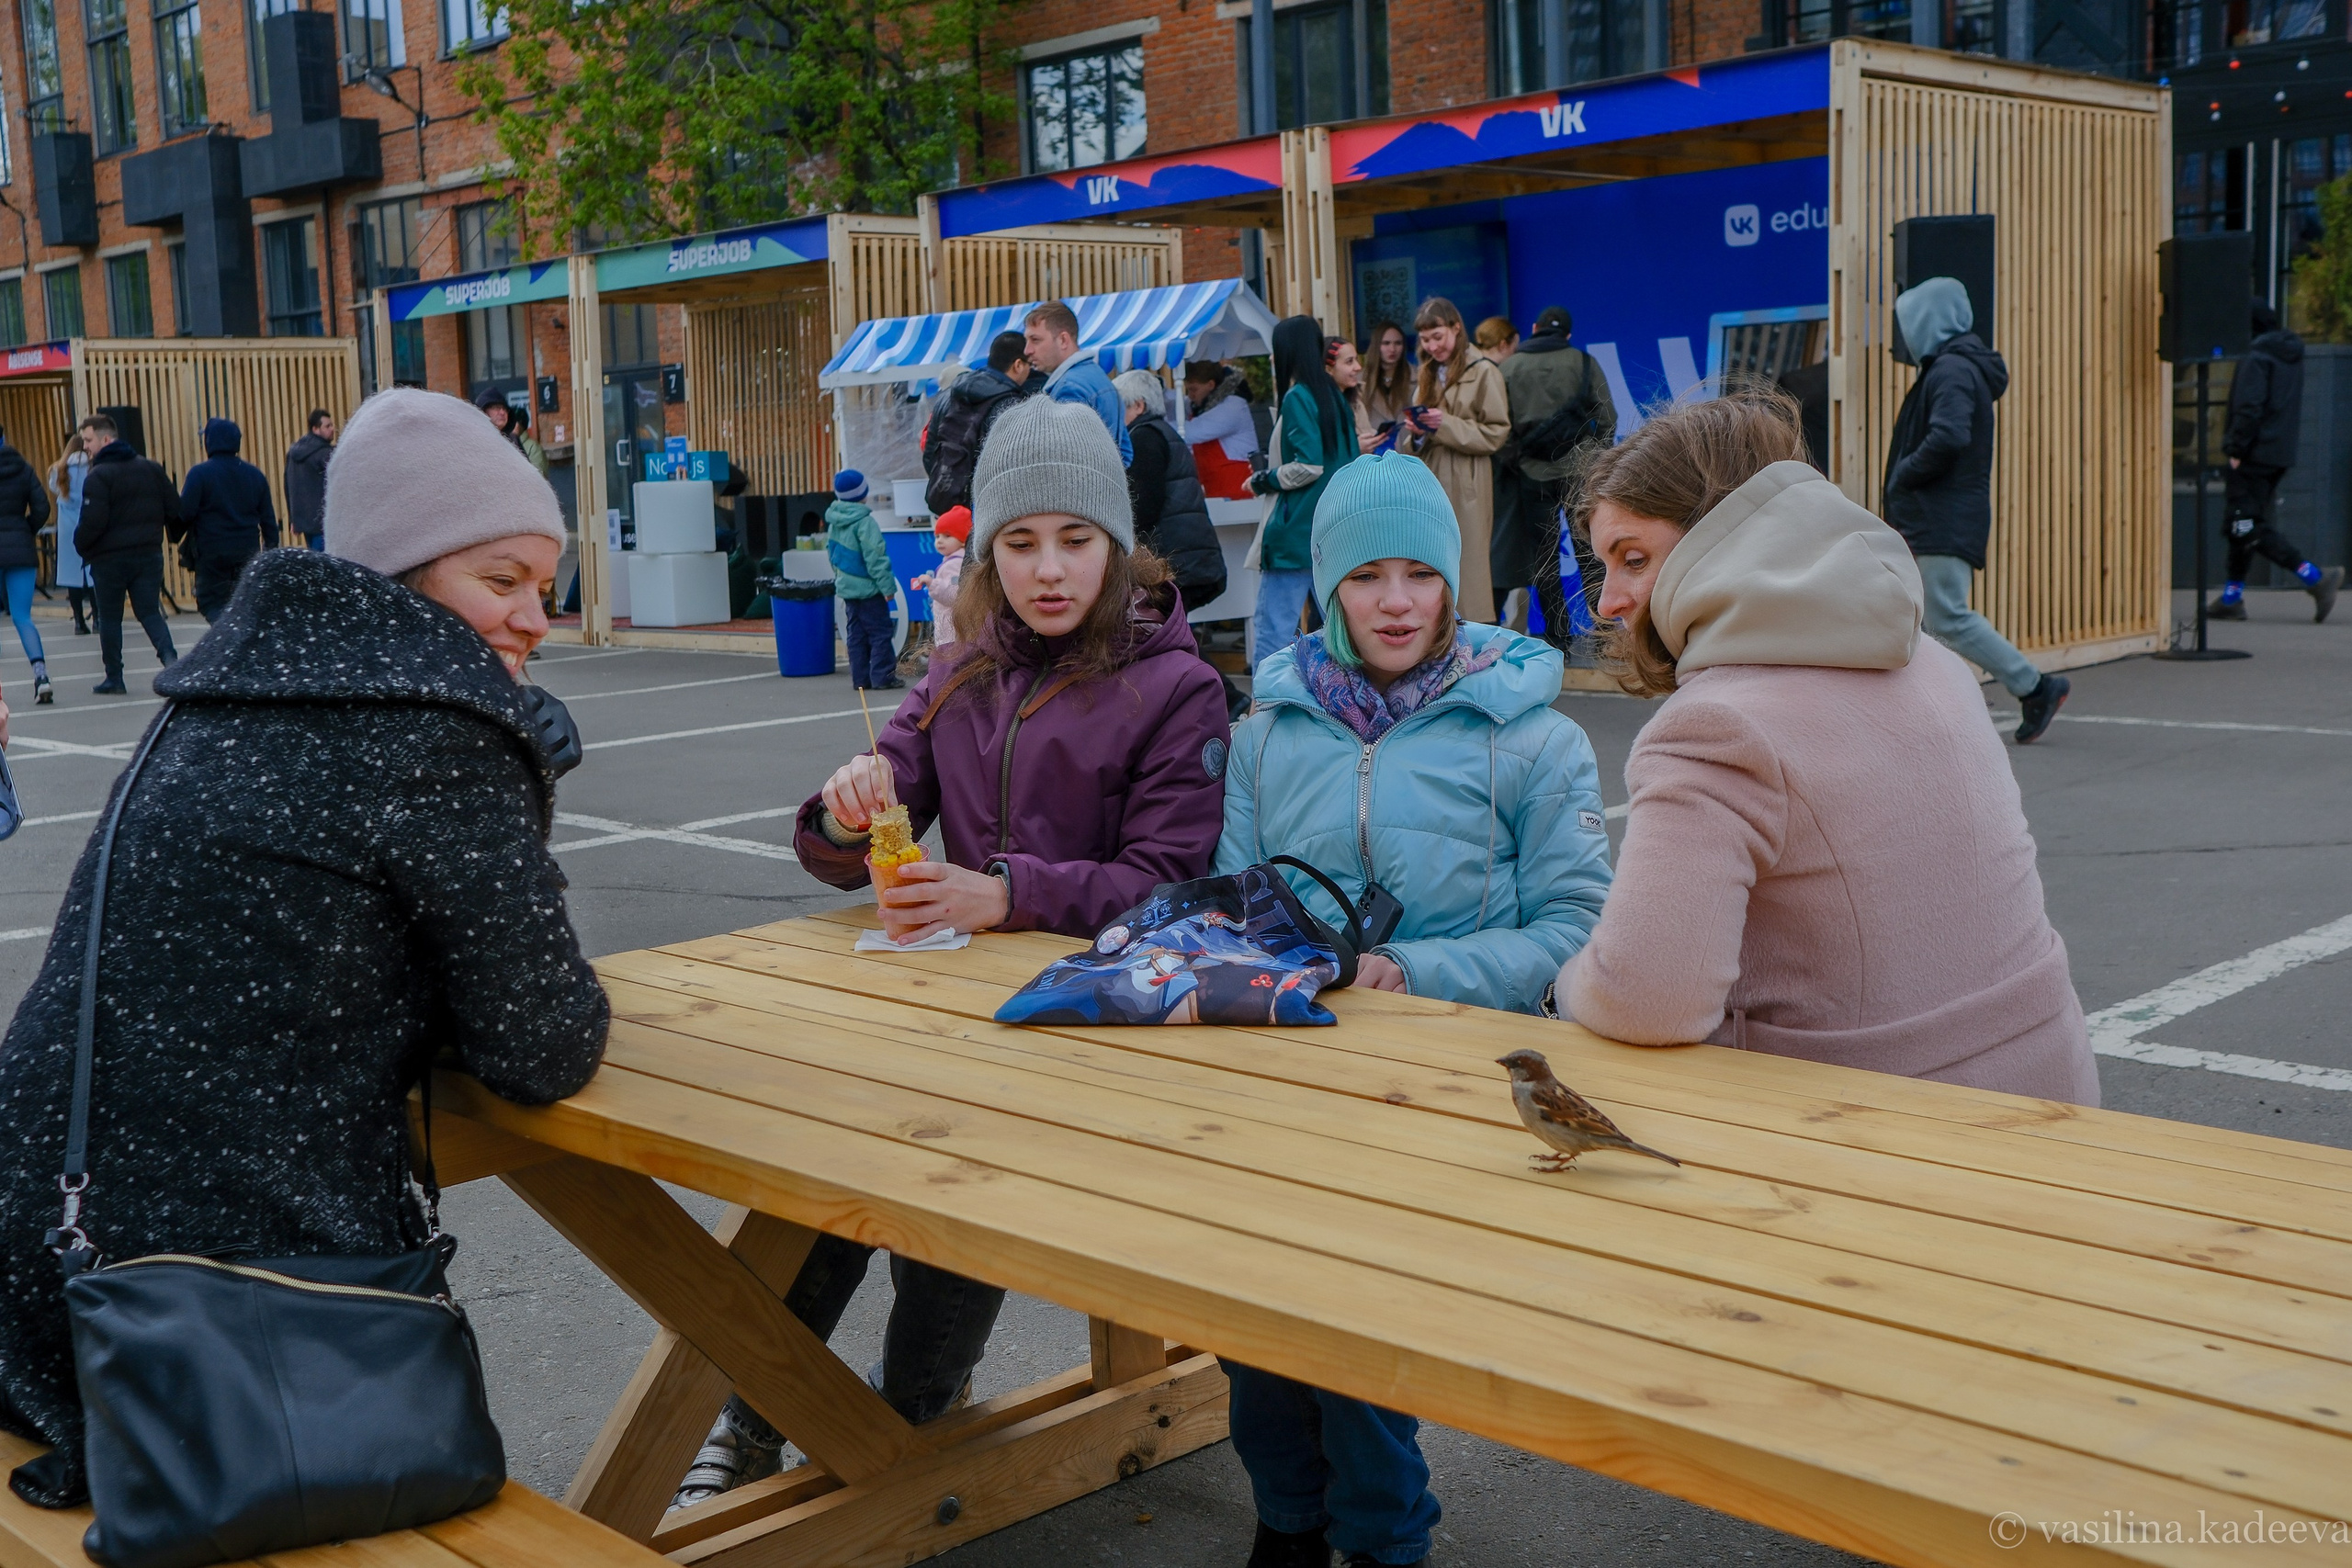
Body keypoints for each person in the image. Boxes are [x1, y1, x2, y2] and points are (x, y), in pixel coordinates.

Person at [0, 386, 610, 1510]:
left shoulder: (221, 689)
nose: (538, 617)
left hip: (45, 1263)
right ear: (402, 579)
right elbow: (543, 1047)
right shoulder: (432, 729)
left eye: (545, 581)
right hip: (212, 1327)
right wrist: (519, 794)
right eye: (501, 581)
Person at [672, 398, 1229, 1511]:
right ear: (987, 553)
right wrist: (843, 812)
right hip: (961, 1011)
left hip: (1104, 1028)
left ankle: (907, 1410)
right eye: (1019, 544)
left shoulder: (1180, 686)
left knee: (945, 1181)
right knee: (820, 1168)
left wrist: (1008, 891)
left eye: (1075, 539)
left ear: (1119, 544)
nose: (1048, 570)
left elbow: (1171, 883)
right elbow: (866, 823)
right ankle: (758, 1412)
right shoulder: (960, 665)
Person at [1214, 452, 1611, 1568]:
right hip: (1291, 1073)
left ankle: (1386, 1541)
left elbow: (1575, 930)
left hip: (1444, 1082)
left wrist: (1415, 974)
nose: (1396, 601)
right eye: (1366, 576)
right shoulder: (1265, 732)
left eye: (1421, 575)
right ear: (1326, 587)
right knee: (1250, 1326)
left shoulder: (1533, 734)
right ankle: (1285, 1519)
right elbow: (1240, 902)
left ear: (1454, 584)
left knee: (1360, 1334)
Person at [1560, 390, 2098, 1104]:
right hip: (2052, 1084)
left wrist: (1568, 977)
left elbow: (1647, 998)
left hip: (1882, 1134)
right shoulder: (1928, 657)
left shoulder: (1714, 727)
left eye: (1633, 559)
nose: (1609, 601)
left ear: (1718, 542)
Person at [1880, 276, 2070, 744]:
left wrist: (1904, 473)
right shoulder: (1953, 369)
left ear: (1928, 321)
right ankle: (1926, 712)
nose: (1906, 336)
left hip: (1940, 516)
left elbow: (1949, 435)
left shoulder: (1951, 371)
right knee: (1926, 620)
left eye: (1910, 322)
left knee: (1946, 616)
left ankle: (2036, 686)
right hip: (1938, 515)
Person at [2210, 300, 2341, 624]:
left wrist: (2236, 449)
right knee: (2241, 524)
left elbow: (2250, 407)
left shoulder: (2256, 357)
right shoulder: (2288, 357)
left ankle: (2314, 578)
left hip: (2252, 456)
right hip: (2276, 455)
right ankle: (2231, 598)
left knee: (2246, 526)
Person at [1497, 305, 1617, 635]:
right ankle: (1603, 635)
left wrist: (1518, 458)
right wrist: (1594, 458)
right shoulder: (1583, 363)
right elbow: (1608, 418)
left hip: (1532, 474)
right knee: (1592, 553)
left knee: (1545, 559)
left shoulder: (1508, 369)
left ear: (1534, 328)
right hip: (1581, 473)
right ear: (1567, 334)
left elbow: (1498, 425)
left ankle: (1557, 638)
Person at [1247, 316, 1357, 670]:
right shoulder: (1334, 396)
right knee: (1340, 634)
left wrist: (1263, 479)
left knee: (1273, 636)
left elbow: (1308, 466)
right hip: (1332, 529)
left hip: (1293, 533)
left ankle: (1263, 715)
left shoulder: (1298, 396)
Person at [1396, 297, 1510, 625]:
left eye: (1438, 337)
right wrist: (1417, 433)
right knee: (1429, 560)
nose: (1432, 346)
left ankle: (1471, 639)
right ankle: (1432, 632)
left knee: (1469, 567)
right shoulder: (1426, 374)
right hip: (1430, 483)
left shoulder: (1484, 370)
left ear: (1456, 329)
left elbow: (1496, 433)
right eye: (1426, 340)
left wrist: (1443, 424)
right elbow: (1410, 445)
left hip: (1469, 481)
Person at [72, 414, 181, 694]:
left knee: (110, 617)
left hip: (109, 559)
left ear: (106, 440)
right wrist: (168, 536)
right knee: (149, 611)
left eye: (88, 440)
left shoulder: (99, 476)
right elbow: (175, 509)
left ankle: (115, 677)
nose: (85, 446)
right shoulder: (151, 468)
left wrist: (82, 547)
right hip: (148, 553)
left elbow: (92, 522)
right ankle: (171, 662)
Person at [1115, 368, 1227, 614]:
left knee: (1166, 639)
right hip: (1189, 558)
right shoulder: (1164, 433)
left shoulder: (1145, 437)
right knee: (1173, 636)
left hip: (1172, 560)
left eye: (1119, 407)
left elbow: (1143, 506)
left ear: (1138, 405)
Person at [176, 417, 281, 623]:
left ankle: (226, 639)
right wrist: (270, 550)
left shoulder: (199, 474)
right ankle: (239, 641)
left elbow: (185, 513)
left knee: (211, 602)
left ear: (209, 442)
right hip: (247, 551)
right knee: (244, 603)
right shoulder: (255, 475)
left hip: (212, 551)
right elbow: (268, 519)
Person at [922, 331, 1032, 516]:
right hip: (990, 509)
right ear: (1018, 365)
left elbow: (930, 451)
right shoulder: (1010, 403)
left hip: (948, 502)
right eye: (1030, 364)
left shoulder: (948, 395)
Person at [1023, 300, 1131, 464]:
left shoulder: (1069, 387)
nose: (1027, 350)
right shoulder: (1100, 378)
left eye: (1035, 340)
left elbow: (1064, 461)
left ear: (1063, 340)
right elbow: (1125, 454)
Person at [826, 468, 900, 691]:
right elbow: (875, 557)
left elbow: (833, 555)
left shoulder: (834, 522)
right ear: (863, 493)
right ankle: (882, 677)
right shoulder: (865, 522)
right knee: (880, 633)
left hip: (848, 590)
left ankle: (860, 679)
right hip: (870, 591)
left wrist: (842, 579)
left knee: (855, 635)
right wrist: (887, 587)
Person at [0, 426, 54, 705]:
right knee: (22, 617)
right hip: (21, 549)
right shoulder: (22, 467)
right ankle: (41, 676)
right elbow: (43, 507)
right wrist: (25, 530)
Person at [1183, 360, 1261, 500]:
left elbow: (1190, 433)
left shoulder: (1232, 406)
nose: (1190, 395)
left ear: (1211, 385)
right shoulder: (1203, 408)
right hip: (1216, 494)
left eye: (1193, 389)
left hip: (1239, 494)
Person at [45, 434, 93, 638]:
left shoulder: (58, 470)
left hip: (67, 527)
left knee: (72, 575)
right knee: (93, 573)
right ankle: (98, 618)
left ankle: (79, 622)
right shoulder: (92, 468)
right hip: (89, 522)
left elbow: (54, 489)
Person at [912, 503, 970, 649]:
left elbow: (954, 594)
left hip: (952, 632)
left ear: (963, 540)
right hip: (951, 629)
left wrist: (932, 584)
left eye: (947, 536)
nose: (940, 541)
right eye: (937, 536)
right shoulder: (955, 561)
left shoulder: (955, 564)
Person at [285, 408, 335, 551]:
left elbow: (288, 486)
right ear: (315, 429)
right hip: (324, 522)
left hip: (305, 522)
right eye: (327, 426)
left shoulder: (293, 454)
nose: (333, 429)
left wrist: (293, 518)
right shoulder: (325, 454)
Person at [473, 387, 548, 477]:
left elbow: (528, 479)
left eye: (505, 409)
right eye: (497, 408)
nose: (502, 412)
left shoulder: (512, 441)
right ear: (483, 411)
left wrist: (515, 440)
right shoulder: (473, 443)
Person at [1326, 337, 1380, 454]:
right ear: (1329, 369)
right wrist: (1354, 448)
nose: (1358, 367)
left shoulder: (1356, 401)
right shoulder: (1318, 407)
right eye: (1349, 361)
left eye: (1356, 360)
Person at [1361, 321, 1415, 435]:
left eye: (1398, 343)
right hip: (1375, 448)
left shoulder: (1418, 378)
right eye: (1386, 343)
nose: (1392, 349)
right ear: (1376, 345)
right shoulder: (1359, 382)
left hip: (1408, 449)